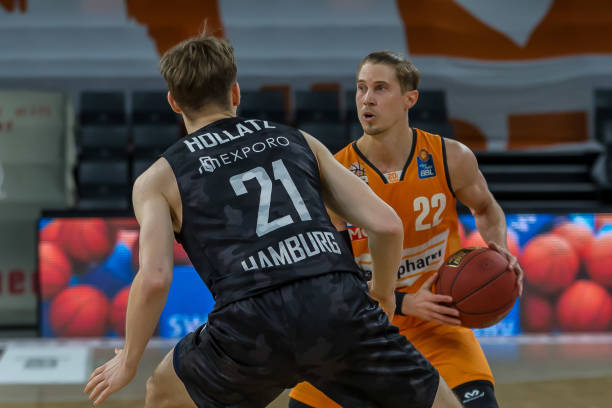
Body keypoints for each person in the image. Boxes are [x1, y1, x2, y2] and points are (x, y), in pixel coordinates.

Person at [83, 34, 462, 408]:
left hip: (251, 325)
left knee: (164, 392)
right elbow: (387, 225)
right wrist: (382, 294)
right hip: (335, 303)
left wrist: (128, 360)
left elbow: (154, 277)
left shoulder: (158, 178)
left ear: (173, 102)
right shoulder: (296, 140)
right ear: (235, 93)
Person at [289, 51, 524, 408]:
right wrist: (403, 301)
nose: (367, 99)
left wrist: (500, 249)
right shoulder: (336, 174)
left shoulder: (450, 157)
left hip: (438, 328)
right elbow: (333, 275)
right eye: (361, 88)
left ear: (409, 99)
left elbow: (486, 208)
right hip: (365, 329)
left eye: (380, 88)